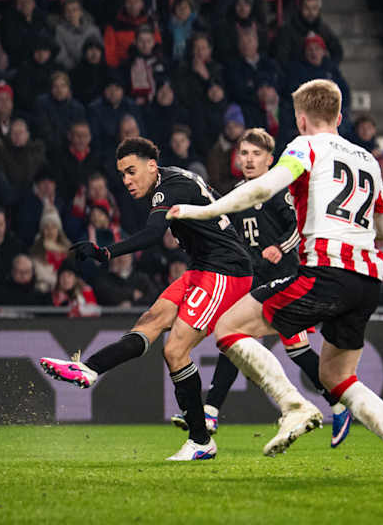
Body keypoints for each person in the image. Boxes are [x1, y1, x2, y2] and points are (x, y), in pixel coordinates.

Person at [167, 79, 383, 475]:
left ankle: (294, 407)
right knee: (337, 376)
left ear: (301, 118)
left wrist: (200, 211)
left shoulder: (305, 147)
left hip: (326, 270)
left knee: (228, 328)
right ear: (339, 116)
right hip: (367, 280)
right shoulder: (368, 159)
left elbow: (262, 189)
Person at [39, 137, 253, 461]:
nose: (126, 180)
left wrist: (105, 252)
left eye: (131, 171)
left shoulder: (168, 187)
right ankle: (89, 369)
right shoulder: (175, 179)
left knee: (175, 350)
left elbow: (154, 235)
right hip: (204, 268)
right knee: (149, 321)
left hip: (225, 271)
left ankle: (200, 440)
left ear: (152, 166)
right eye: (122, 174)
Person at [169, 129, 352, 448]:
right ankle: (210, 412)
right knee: (233, 339)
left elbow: (298, 227)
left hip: (285, 280)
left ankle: (338, 404)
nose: (249, 160)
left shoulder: (278, 190)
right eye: (244, 154)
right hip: (254, 281)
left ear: (270, 160)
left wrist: (280, 247)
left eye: (256, 154)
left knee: (294, 349)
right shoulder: (238, 193)